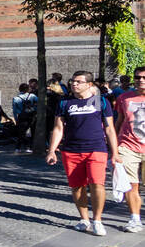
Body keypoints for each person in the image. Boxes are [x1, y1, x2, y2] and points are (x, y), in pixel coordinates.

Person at [47, 70, 120, 236]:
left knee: (97, 184)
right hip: (71, 150)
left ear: (89, 84)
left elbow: (109, 129)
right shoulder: (65, 102)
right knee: (77, 187)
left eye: (79, 82)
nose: (74, 84)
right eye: (73, 81)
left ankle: (98, 220)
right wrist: (52, 150)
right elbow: (58, 128)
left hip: (96, 148)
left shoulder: (99, 101)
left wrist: (114, 153)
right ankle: (84, 219)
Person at [112, 65, 145, 233]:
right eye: (138, 77)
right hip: (128, 146)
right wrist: (114, 146)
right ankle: (135, 219)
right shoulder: (124, 98)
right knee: (131, 185)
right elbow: (119, 121)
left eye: (144, 78)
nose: (141, 80)